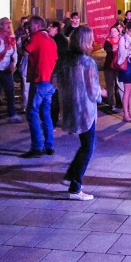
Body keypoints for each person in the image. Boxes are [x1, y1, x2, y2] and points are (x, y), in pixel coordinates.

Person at [56, 26, 104, 201]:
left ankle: (71, 175)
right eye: (90, 39)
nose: (93, 42)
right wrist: (102, 93)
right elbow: (92, 90)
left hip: (69, 105)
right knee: (88, 146)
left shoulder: (64, 59)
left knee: (85, 144)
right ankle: (75, 187)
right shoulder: (87, 62)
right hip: (84, 109)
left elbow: (56, 81)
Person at [21, 16, 58, 157]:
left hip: (40, 79)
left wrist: (26, 38)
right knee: (45, 113)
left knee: (31, 112)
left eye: (30, 25)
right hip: (50, 81)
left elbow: (25, 52)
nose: (28, 27)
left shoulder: (36, 37)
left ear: (37, 26)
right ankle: (50, 145)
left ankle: (37, 146)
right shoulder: (51, 40)